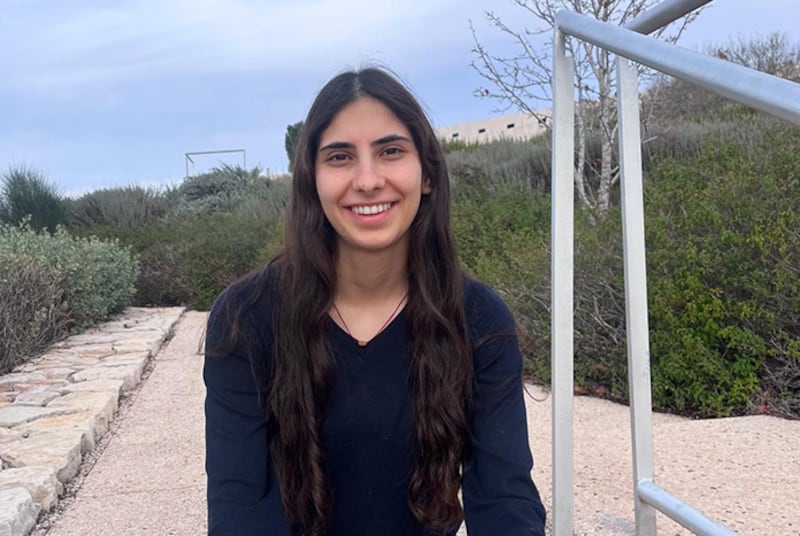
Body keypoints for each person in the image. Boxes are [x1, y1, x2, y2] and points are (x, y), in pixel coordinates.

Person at [204, 66, 546, 536]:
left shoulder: (479, 318)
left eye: (390, 151)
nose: (367, 180)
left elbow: (506, 499)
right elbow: (238, 508)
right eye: (340, 157)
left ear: (427, 175)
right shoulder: (245, 317)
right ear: (311, 180)